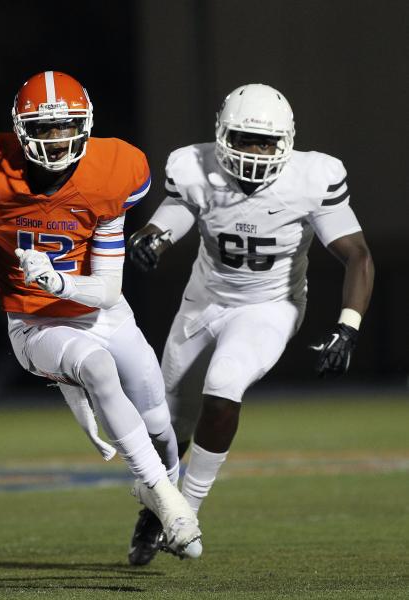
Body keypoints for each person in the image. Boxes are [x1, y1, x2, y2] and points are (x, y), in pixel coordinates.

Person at [0, 70, 202, 560]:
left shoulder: (112, 174)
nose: (57, 138)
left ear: (86, 123)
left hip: (100, 309)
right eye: (45, 128)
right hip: (36, 323)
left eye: (66, 125)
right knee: (97, 368)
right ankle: (172, 503)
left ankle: (154, 506)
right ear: (21, 129)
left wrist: (60, 281)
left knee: (162, 425)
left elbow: (109, 290)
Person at [127, 83, 374, 564]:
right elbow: (179, 208)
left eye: (265, 142)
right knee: (165, 424)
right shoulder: (194, 167)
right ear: (222, 135)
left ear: (287, 142)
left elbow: (358, 255)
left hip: (269, 305)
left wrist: (349, 327)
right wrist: (154, 237)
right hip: (202, 303)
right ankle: (157, 510)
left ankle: (185, 512)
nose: (254, 152)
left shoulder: (312, 177)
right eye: (243, 139)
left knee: (224, 386)